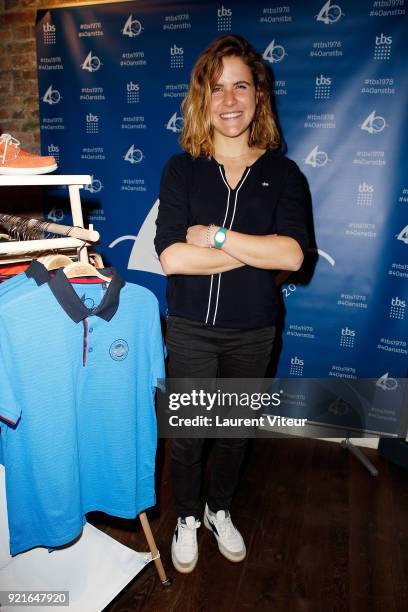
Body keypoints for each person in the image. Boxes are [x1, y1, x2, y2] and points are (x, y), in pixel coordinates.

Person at [155, 34, 308, 574]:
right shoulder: (182, 169)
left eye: (240, 85)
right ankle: (188, 516)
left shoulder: (284, 173)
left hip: (254, 330)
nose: (229, 100)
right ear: (202, 98)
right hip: (192, 329)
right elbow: (172, 259)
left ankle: (220, 509)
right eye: (216, 88)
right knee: (191, 437)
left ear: (258, 96)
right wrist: (256, 249)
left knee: (235, 434)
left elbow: (292, 255)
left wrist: (218, 237)